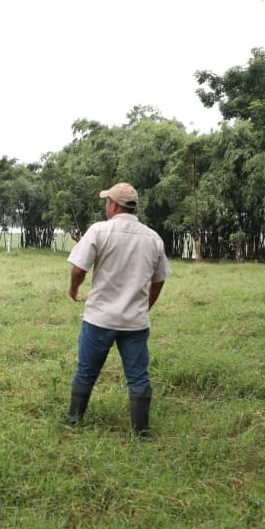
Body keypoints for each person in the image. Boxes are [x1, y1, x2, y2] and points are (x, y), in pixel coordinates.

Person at [65, 182, 171, 439]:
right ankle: (142, 432)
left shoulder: (100, 231)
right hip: (135, 322)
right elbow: (159, 279)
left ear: (113, 204)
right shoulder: (152, 237)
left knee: (86, 371)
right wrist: (145, 307)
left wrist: (73, 289)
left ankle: (73, 420)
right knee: (138, 377)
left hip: (99, 319)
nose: (106, 206)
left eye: (106, 202)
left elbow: (79, 269)